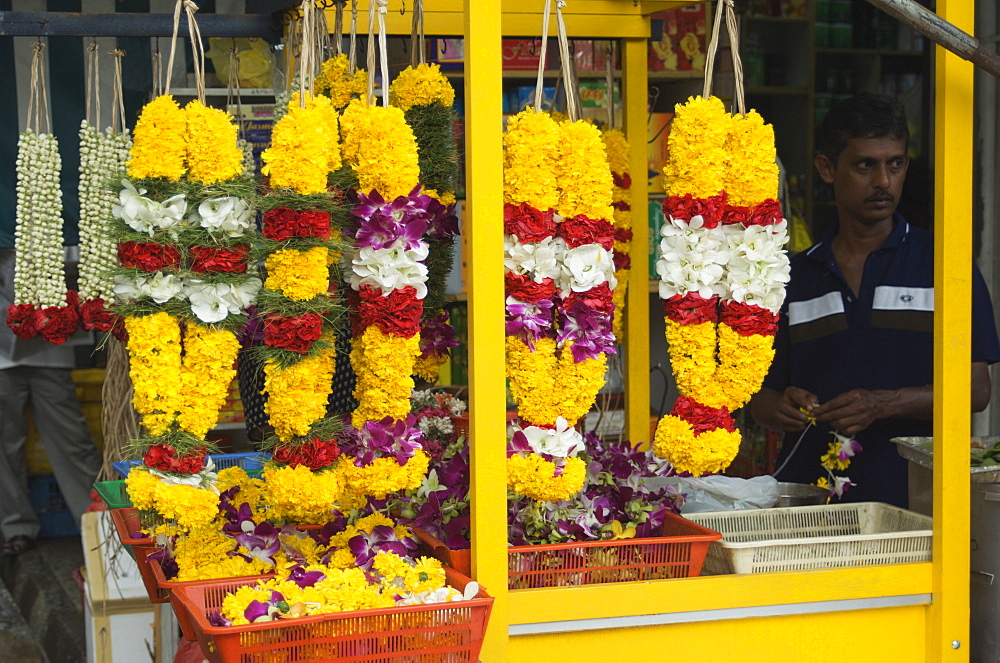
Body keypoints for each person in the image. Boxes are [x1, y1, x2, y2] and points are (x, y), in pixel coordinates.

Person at [749, 93, 1000, 507]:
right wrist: (781, 408)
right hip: (812, 502)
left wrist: (881, 403)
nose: (883, 182)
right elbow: (760, 399)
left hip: (920, 501)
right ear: (827, 168)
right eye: (865, 165)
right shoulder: (791, 276)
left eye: (895, 164)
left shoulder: (944, 265)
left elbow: (975, 391)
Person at [0, 250, 102, 555]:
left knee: (71, 439)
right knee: (5, 445)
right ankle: (16, 528)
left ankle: (96, 525)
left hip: (48, 346)